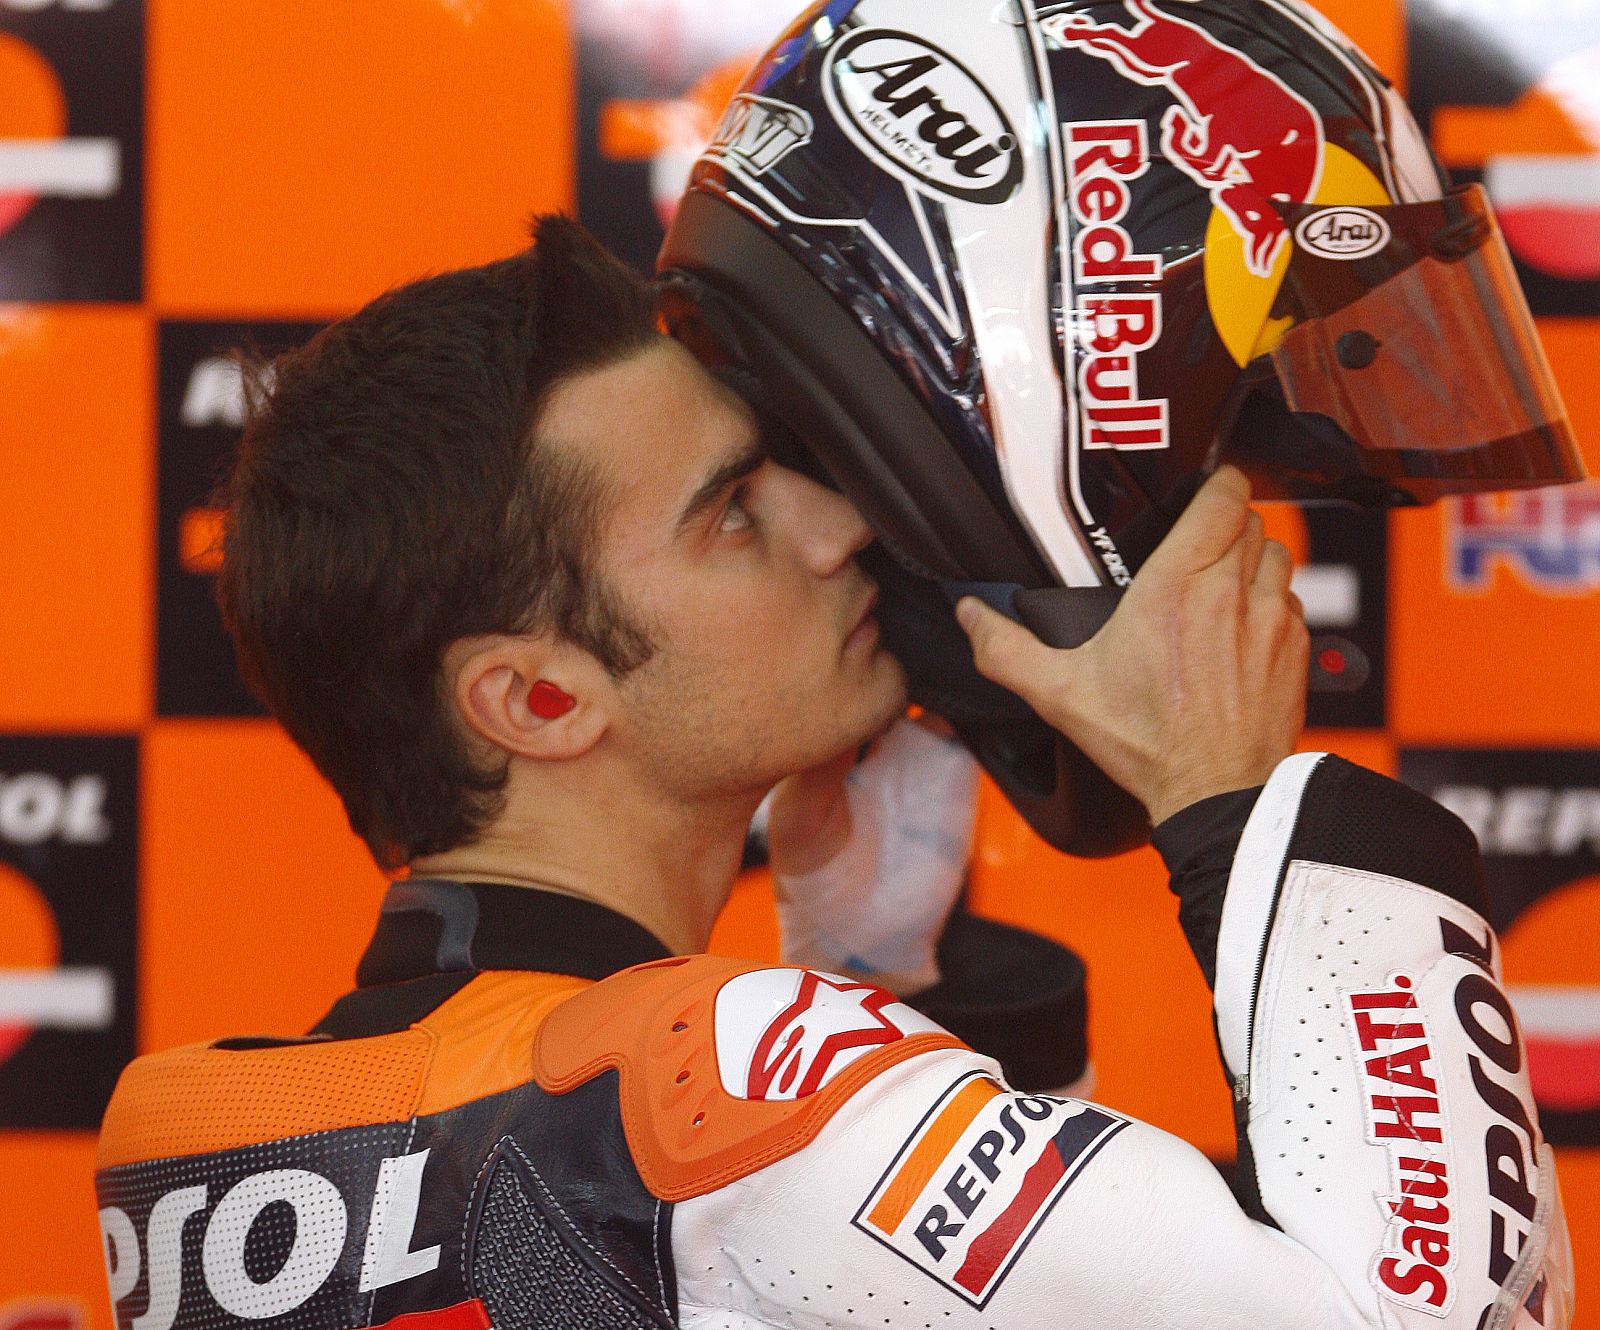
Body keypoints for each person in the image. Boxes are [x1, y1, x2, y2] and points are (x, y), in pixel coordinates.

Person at [94, 217, 1570, 1330]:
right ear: (538, 697)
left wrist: (886, 979)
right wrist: (1233, 795)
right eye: (733, 512)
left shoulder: (206, 1142)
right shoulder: (706, 1089)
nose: (834, 526)